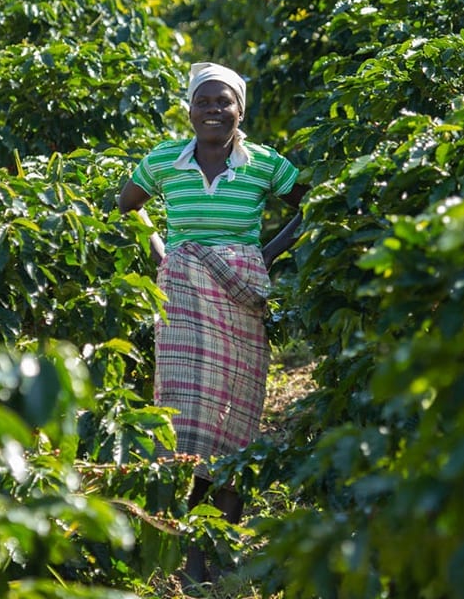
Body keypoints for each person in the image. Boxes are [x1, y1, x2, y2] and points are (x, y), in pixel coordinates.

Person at [117, 62, 307, 586]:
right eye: (204, 102)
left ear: (240, 111)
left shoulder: (264, 163)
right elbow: (128, 204)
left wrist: (263, 255)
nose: (213, 111)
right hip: (183, 295)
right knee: (191, 414)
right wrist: (164, 250)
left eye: (224, 102)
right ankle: (192, 551)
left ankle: (221, 541)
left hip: (242, 295)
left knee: (237, 414)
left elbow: (309, 205)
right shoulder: (162, 161)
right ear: (189, 110)